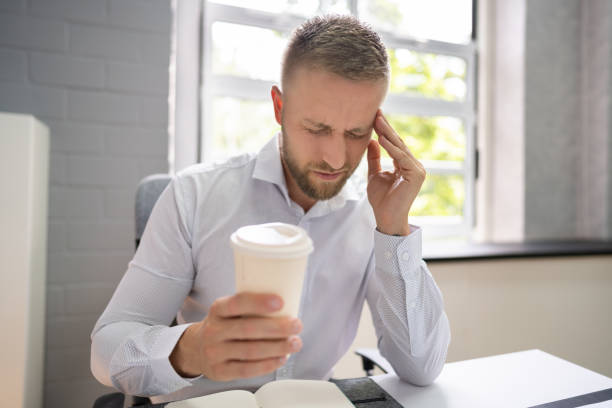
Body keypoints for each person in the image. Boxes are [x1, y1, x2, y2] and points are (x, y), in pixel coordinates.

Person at [90, 14, 451, 404]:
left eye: (356, 133)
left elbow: (423, 368)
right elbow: (106, 348)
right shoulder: (194, 195)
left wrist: (394, 231)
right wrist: (190, 348)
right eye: (317, 128)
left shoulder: (371, 214)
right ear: (279, 106)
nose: (334, 158)